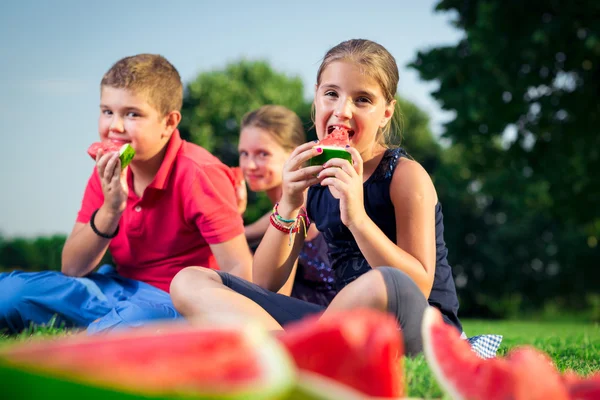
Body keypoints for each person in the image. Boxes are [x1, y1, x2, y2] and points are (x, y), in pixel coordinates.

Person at [170, 39, 462, 356]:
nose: (342, 111)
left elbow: (418, 285)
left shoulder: (404, 176)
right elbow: (265, 281)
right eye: (331, 94)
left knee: (380, 281)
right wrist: (290, 202)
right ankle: (288, 351)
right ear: (316, 98)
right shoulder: (316, 180)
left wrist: (356, 218)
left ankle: (290, 352)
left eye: (362, 100)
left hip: (416, 325)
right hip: (343, 320)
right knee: (189, 280)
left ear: (386, 113)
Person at [0, 54, 252, 334]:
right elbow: (72, 268)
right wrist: (111, 209)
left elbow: (240, 270)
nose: (114, 126)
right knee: (10, 293)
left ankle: (91, 336)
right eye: (107, 111)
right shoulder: (108, 170)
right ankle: (99, 327)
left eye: (132, 114)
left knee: (121, 326)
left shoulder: (200, 173)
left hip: (172, 301)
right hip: (116, 288)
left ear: (169, 123)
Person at [236, 105, 336, 306]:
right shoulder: (279, 211)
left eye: (263, 154)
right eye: (244, 153)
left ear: (295, 154)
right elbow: (244, 234)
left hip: (322, 323)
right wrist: (232, 218)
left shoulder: (303, 203)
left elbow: (269, 296)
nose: (249, 165)